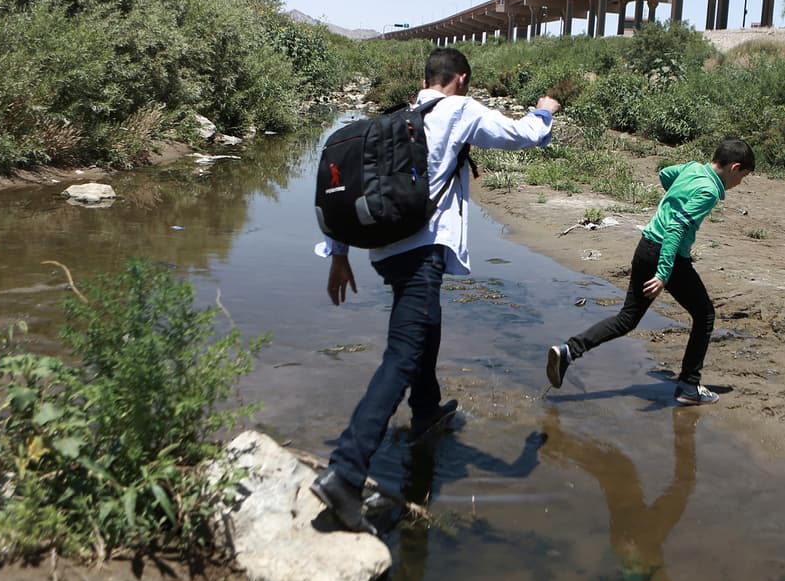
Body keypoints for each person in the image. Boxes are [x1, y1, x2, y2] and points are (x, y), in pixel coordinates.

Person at [312, 47, 561, 533]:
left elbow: (352, 183)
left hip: (384, 249)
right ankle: (345, 471)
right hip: (423, 251)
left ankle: (425, 414)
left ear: (426, 78)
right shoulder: (458, 110)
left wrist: (338, 254)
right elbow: (523, 135)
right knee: (403, 352)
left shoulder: (396, 119)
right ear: (461, 79)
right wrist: (545, 110)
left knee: (426, 327)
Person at [545, 138, 755, 406]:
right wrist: (664, 274)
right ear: (735, 167)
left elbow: (665, 174)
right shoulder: (710, 191)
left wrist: (675, 198)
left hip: (646, 246)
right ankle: (689, 387)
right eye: (743, 176)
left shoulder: (692, 168)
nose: (740, 183)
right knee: (704, 315)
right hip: (668, 256)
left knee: (627, 318)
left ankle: (569, 351)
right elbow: (677, 228)